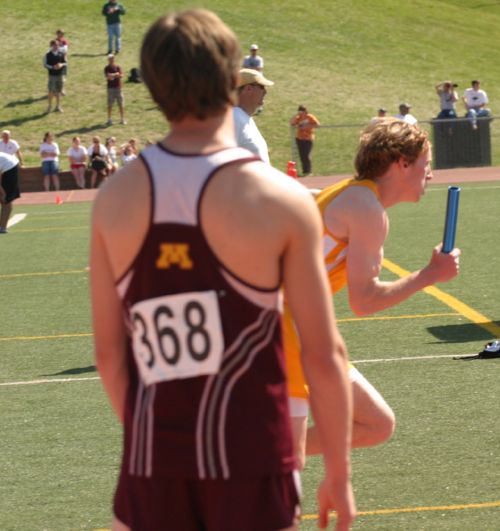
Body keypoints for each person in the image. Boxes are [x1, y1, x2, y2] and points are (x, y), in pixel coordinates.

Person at [89, 9, 354, 531]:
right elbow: (324, 354)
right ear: (231, 78)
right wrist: (339, 473)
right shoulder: (279, 198)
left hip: (154, 457)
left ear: (153, 83)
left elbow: (108, 354)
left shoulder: (114, 198)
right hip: (252, 453)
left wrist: (156, 442)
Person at [285, 118, 460, 469]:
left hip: (300, 326)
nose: (431, 174)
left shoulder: (351, 193)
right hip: (284, 328)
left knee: (376, 425)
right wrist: (429, 274)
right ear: (402, 163)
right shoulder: (366, 208)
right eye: (426, 164)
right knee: (286, 464)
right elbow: (363, 302)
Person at [234, 68, 273, 164]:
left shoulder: (241, 117)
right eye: (262, 87)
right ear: (248, 89)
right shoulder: (234, 117)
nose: (265, 92)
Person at [290, 105, 320, 176]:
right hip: (300, 138)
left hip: (308, 138)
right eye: (299, 112)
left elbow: (317, 125)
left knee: (306, 155)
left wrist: (308, 126)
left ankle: (308, 171)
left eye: (302, 112)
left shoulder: (310, 117)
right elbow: (292, 123)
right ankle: (304, 171)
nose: (301, 113)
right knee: (301, 155)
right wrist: (295, 116)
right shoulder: (298, 118)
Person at [0, 152, 21, 234]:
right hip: (4, 165)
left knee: (6, 199)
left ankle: (2, 227)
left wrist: (3, 193)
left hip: (10, 166)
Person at [44, 40, 67, 113]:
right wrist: (52, 67)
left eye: (57, 45)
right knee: (51, 91)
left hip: (60, 75)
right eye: (54, 45)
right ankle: (49, 106)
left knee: (59, 91)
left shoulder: (61, 54)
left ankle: (58, 106)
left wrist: (61, 65)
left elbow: (65, 63)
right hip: (52, 76)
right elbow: (45, 64)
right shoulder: (48, 55)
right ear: (51, 46)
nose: (56, 47)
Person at [105, 54, 126, 126]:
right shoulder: (107, 68)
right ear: (108, 60)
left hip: (118, 88)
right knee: (110, 104)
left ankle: (122, 118)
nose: (112, 60)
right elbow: (108, 77)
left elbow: (121, 75)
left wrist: (114, 75)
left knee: (121, 104)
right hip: (110, 88)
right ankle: (109, 119)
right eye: (110, 59)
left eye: (113, 59)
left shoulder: (118, 67)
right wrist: (115, 74)